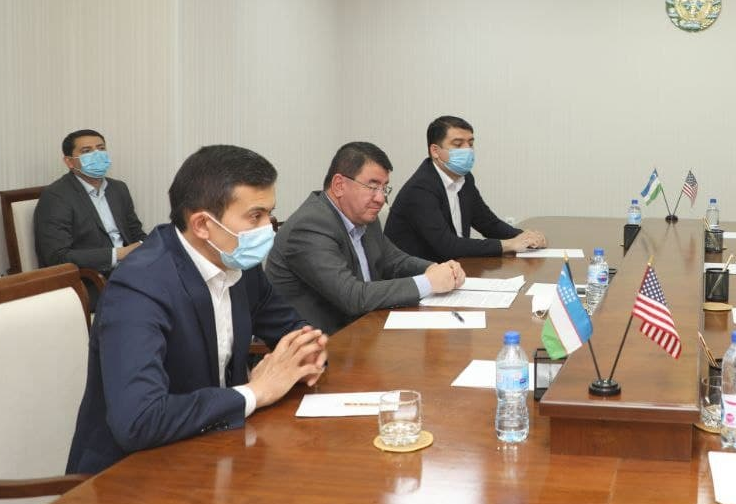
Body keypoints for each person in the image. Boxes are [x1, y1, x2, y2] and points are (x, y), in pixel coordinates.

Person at [67, 145, 327, 475]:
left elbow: (289, 327)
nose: (269, 227)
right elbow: (139, 420)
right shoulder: (138, 287)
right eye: (255, 216)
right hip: (129, 475)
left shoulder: (238, 263)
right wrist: (254, 392)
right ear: (203, 224)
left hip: (215, 450)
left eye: (270, 213)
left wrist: (307, 354)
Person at [266, 142, 466, 334]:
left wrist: (435, 269)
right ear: (339, 185)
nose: (381, 199)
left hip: (364, 329)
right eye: (372, 187)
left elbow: (394, 261)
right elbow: (352, 297)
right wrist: (428, 282)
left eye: (384, 188)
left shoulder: (364, 217)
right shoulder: (309, 226)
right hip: (323, 343)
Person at [385, 115, 546, 262]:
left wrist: (525, 237)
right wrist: (509, 244)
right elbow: (447, 246)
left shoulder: (464, 178)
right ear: (435, 151)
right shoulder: (420, 189)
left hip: (454, 267)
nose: (467, 150)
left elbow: (487, 223)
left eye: (470, 143)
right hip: (418, 276)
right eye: (458, 144)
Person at [33, 129, 147, 307]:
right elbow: (57, 257)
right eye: (86, 151)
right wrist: (119, 254)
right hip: (89, 281)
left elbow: (136, 232)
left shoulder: (118, 188)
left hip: (130, 271)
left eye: (101, 148)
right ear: (69, 161)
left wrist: (150, 247)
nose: (97, 155)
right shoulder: (56, 196)